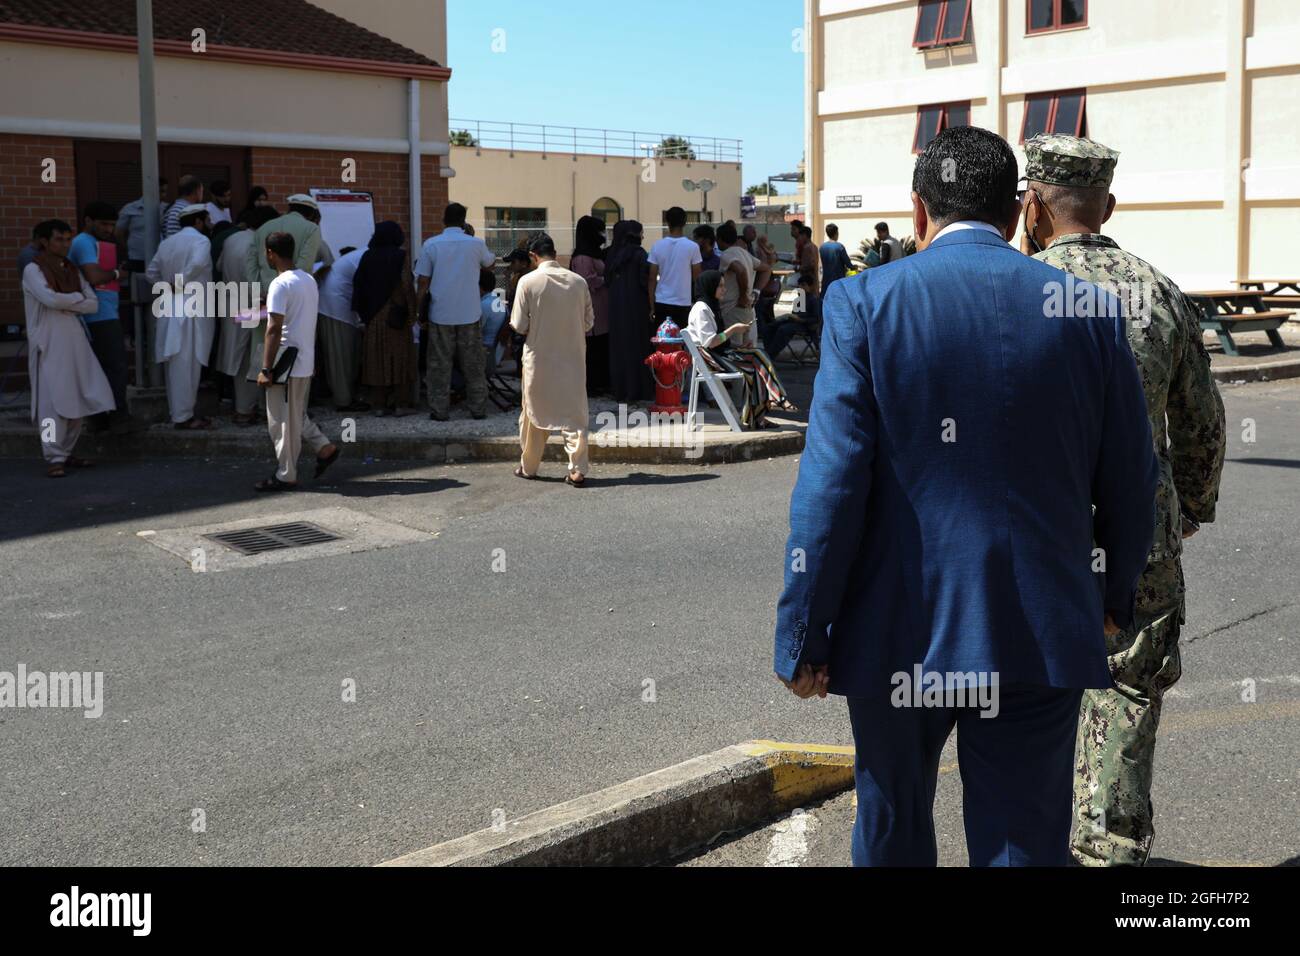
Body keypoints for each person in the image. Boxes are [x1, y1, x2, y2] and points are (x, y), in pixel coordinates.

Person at [773, 125, 1159, 867]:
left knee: (891, 827)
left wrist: (805, 632)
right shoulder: (1092, 312)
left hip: (898, 628)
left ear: (918, 212)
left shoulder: (864, 304)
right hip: (1040, 619)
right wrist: (1113, 595)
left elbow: (831, 486)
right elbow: (1130, 477)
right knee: (1023, 839)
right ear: (1017, 214)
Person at [1022, 134, 1228, 867]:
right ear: (1107, 205)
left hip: (1034, 533)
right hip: (1141, 529)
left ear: (1034, 205)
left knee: (1033, 691)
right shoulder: (1158, 289)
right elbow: (1201, 421)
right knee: (1129, 689)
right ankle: (1108, 848)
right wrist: (1193, 507)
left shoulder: (1015, 286)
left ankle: (1031, 843)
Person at [21, 219, 115, 477]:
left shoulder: (71, 269)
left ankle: (67, 452)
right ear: (44, 241)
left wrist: (67, 302)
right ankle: (53, 456)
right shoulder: (33, 269)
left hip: (74, 340)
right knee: (50, 403)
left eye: (67, 239)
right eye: (58, 239)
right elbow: (49, 299)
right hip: (48, 341)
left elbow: (93, 303)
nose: (64, 244)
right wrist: (76, 300)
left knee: (77, 396)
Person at [254, 231, 340, 491]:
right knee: (295, 415)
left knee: (280, 421)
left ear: (271, 253)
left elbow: (273, 328)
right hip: (303, 359)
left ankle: (286, 473)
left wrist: (265, 368)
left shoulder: (279, 284)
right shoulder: (308, 280)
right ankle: (323, 446)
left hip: (284, 363)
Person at [509, 233, 594, 486]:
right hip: (573, 357)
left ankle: (529, 466)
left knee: (534, 412)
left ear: (533, 257)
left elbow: (518, 324)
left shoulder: (528, 281)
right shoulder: (579, 282)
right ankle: (577, 469)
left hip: (539, 358)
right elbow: (589, 322)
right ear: (555, 254)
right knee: (575, 414)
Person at [415, 202, 496, 421]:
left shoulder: (431, 245)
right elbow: (489, 263)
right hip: (469, 313)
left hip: (440, 314)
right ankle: (478, 409)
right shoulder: (475, 244)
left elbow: (423, 281)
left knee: (439, 365)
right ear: (464, 221)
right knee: (473, 364)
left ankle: (439, 410)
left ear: (444, 219)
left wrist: (418, 309)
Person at [685, 270, 795, 429]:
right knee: (756, 357)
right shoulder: (701, 308)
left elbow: (717, 342)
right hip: (711, 360)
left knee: (756, 360)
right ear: (710, 287)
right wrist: (734, 329)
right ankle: (774, 400)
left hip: (716, 355)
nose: (724, 289)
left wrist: (739, 347)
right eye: (720, 286)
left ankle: (759, 415)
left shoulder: (709, 306)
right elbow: (709, 342)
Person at [246, 195, 329, 390]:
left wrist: (261, 293)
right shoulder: (311, 229)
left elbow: (250, 265)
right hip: (294, 300)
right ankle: (295, 410)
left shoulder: (263, 229)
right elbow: (304, 265)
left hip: (264, 301)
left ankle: (264, 403)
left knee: (263, 351)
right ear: (310, 213)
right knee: (295, 355)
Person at [146, 204, 216, 429]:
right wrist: (178, 284)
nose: (210, 224)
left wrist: (165, 286)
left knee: (176, 363)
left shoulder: (166, 243)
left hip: (170, 307)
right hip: (191, 309)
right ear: (198, 221)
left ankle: (181, 413)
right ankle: (183, 417)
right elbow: (197, 264)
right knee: (188, 363)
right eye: (207, 219)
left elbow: (151, 273)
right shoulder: (201, 241)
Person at [69, 201, 134, 432]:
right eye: (104, 224)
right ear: (87, 221)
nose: (109, 229)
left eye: (112, 225)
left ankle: (100, 419)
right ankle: (118, 417)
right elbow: (95, 276)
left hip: (104, 312)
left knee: (105, 367)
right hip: (98, 316)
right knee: (115, 366)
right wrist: (118, 273)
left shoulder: (96, 243)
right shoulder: (83, 243)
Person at [215, 206, 275, 425]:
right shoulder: (259, 243)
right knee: (254, 358)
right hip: (253, 306)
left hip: (231, 303)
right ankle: (249, 409)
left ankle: (245, 408)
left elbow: (220, 265)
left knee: (237, 357)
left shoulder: (231, 239)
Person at [354, 221, 418, 417]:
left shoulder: (367, 256)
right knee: (400, 360)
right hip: (395, 316)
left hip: (373, 318)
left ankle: (379, 405)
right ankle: (400, 404)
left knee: (375, 361)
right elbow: (406, 285)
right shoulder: (400, 256)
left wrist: (364, 315)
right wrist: (413, 313)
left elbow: (358, 285)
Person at [316, 241, 368, 411]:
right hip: (334, 306)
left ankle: (346, 397)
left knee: (346, 354)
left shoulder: (363, 254)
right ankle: (343, 400)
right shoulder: (368, 256)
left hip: (337, 304)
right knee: (340, 356)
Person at [605, 219, 653, 403]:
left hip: (616, 307)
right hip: (637, 307)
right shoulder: (640, 254)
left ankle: (621, 389)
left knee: (619, 348)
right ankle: (638, 390)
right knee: (638, 346)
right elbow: (645, 281)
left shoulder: (612, 254)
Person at [571, 215, 609, 395]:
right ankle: (591, 384)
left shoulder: (592, 253)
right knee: (592, 347)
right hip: (591, 306)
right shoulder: (582, 257)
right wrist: (606, 279)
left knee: (599, 346)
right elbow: (586, 280)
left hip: (600, 306)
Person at [647, 206, 702, 330]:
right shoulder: (692, 247)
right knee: (681, 342)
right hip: (683, 302)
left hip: (661, 301)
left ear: (667, 222)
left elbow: (651, 278)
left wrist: (651, 307)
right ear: (685, 222)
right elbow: (697, 278)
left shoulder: (657, 246)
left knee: (662, 342)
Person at [716, 221, 762, 347]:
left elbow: (740, 270)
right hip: (745, 309)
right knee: (746, 348)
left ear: (719, 239)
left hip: (733, 308)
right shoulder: (744, 253)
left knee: (734, 349)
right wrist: (756, 290)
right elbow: (766, 268)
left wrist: (743, 295)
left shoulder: (727, 254)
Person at [115, 177, 169, 271]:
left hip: (162, 258)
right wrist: (130, 248)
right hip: (137, 258)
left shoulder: (168, 209)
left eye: (164, 191)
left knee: (161, 285)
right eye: (160, 191)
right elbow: (118, 233)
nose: (162, 195)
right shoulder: (130, 208)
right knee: (137, 283)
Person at [764, 272, 821, 359]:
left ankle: (771, 355)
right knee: (769, 327)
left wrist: (801, 320)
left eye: (804, 285)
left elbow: (816, 319)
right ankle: (768, 352)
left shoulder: (813, 300)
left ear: (810, 287)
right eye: (799, 285)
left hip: (806, 326)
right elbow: (794, 314)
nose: (800, 288)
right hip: (795, 322)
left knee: (783, 330)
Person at [819, 223, 853, 294]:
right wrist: (854, 267)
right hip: (838, 280)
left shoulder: (822, 247)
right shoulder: (839, 247)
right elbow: (848, 264)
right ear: (836, 233)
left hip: (826, 280)